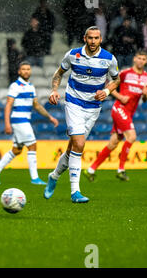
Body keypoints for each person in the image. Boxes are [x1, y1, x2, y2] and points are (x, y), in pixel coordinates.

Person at [43, 26, 121, 203]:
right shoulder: (73, 54)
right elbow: (59, 73)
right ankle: (75, 192)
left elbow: (116, 79)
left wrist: (107, 92)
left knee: (73, 148)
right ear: (84, 38)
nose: (93, 41)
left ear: (101, 39)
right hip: (73, 102)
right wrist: (54, 90)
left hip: (93, 107)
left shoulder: (109, 59)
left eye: (97, 38)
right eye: (90, 38)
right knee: (79, 143)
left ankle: (54, 176)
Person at [84, 51, 147, 182]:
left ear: (146, 61)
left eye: (143, 59)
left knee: (113, 143)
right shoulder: (125, 73)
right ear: (134, 59)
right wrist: (120, 97)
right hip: (119, 108)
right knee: (132, 137)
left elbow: (145, 99)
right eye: (139, 58)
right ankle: (121, 170)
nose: (141, 61)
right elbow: (109, 86)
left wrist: (145, 95)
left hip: (129, 113)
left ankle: (91, 169)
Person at [0, 61, 58, 185]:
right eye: (23, 69)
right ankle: (34, 178)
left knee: (17, 150)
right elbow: (8, 105)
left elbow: (36, 105)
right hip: (19, 120)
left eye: (28, 69)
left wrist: (50, 117)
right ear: (19, 71)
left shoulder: (31, 86)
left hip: (24, 120)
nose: (26, 71)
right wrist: (7, 124)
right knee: (32, 145)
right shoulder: (15, 86)